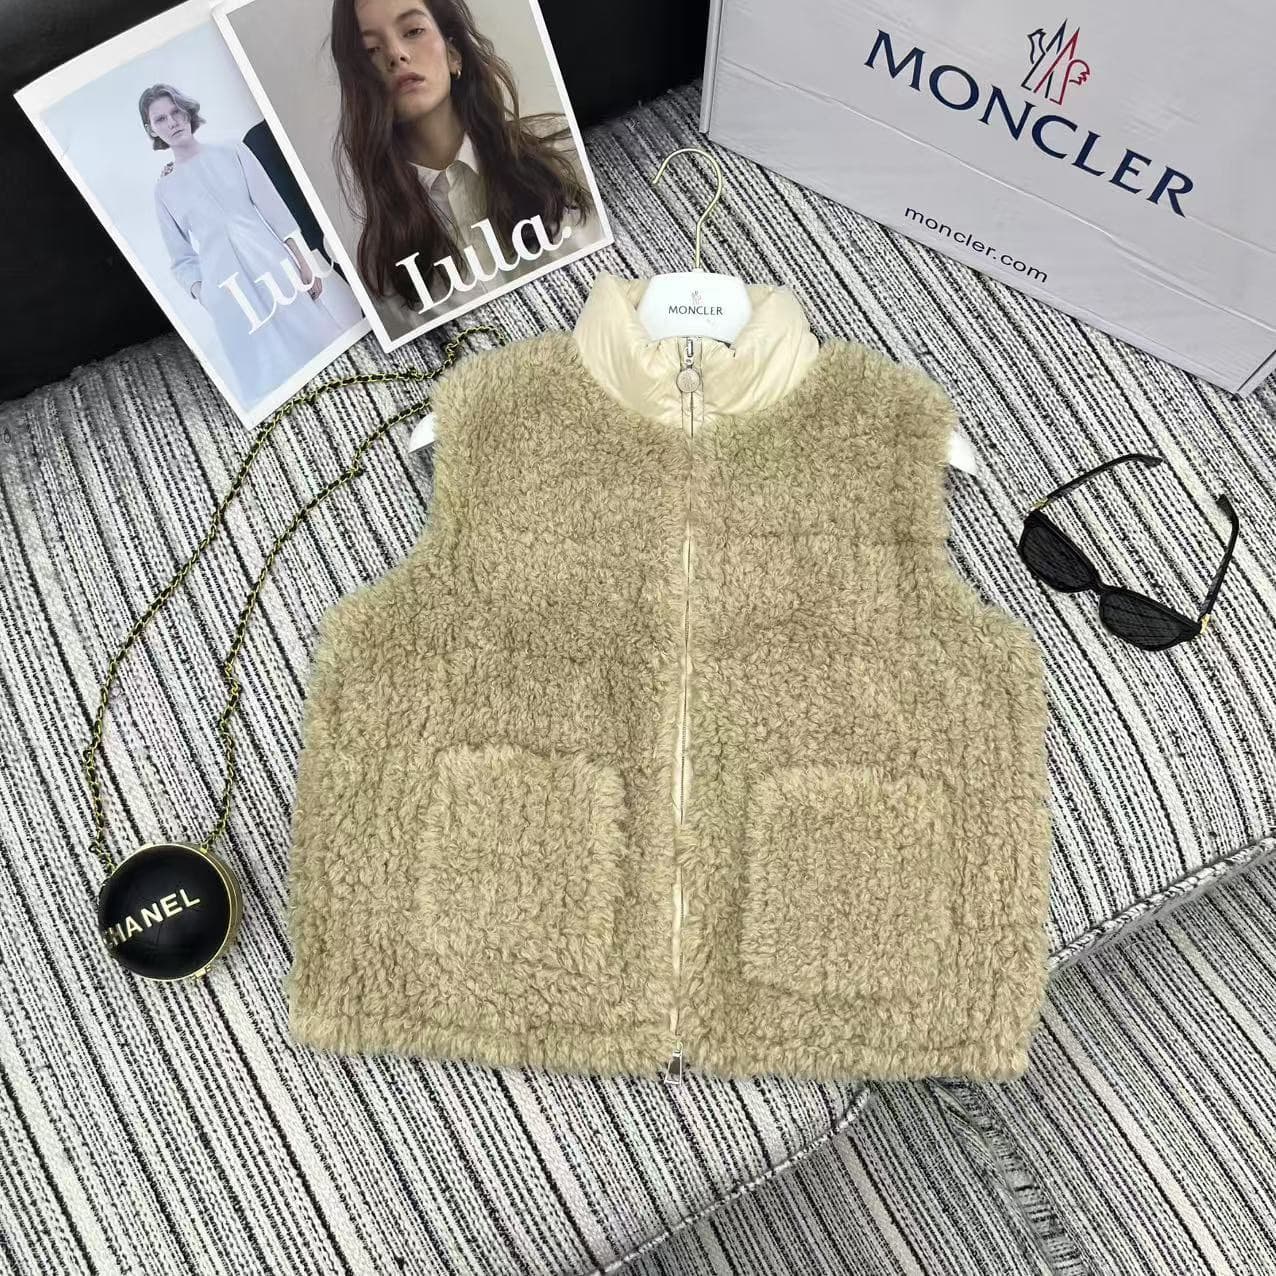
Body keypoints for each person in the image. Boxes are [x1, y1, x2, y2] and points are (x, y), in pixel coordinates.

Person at [329, 0, 601, 333]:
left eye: (413, 31)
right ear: (359, 84)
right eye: (371, 50)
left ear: (453, 54)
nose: (396, 55)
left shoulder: (560, 150)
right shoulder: (384, 260)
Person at [142, 84, 363, 407]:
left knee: (323, 344)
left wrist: (303, 261)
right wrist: (207, 296)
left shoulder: (232, 150)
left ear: (188, 111)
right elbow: (181, 258)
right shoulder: (164, 189)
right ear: (152, 130)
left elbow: (274, 209)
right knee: (270, 380)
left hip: (274, 268)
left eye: (176, 112)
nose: (172, 122)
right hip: (229, 294)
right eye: (160, 119)